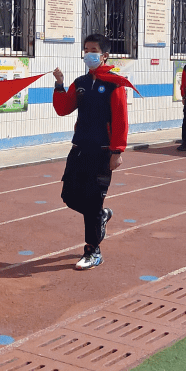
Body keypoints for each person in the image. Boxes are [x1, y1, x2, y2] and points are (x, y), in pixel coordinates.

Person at [52, 33, 132, 271]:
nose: (88, 54)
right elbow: (63, 109)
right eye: (86, 49)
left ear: (105, 55)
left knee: (92, 200)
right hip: (79, 150)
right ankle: (101, 216)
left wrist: (117, 151)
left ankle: (93, 250)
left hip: (102, 152)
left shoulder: (114, 83)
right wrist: (59, 84)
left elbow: (120, 120)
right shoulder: (81, 83)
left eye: (93, 50)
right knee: (69, 196)